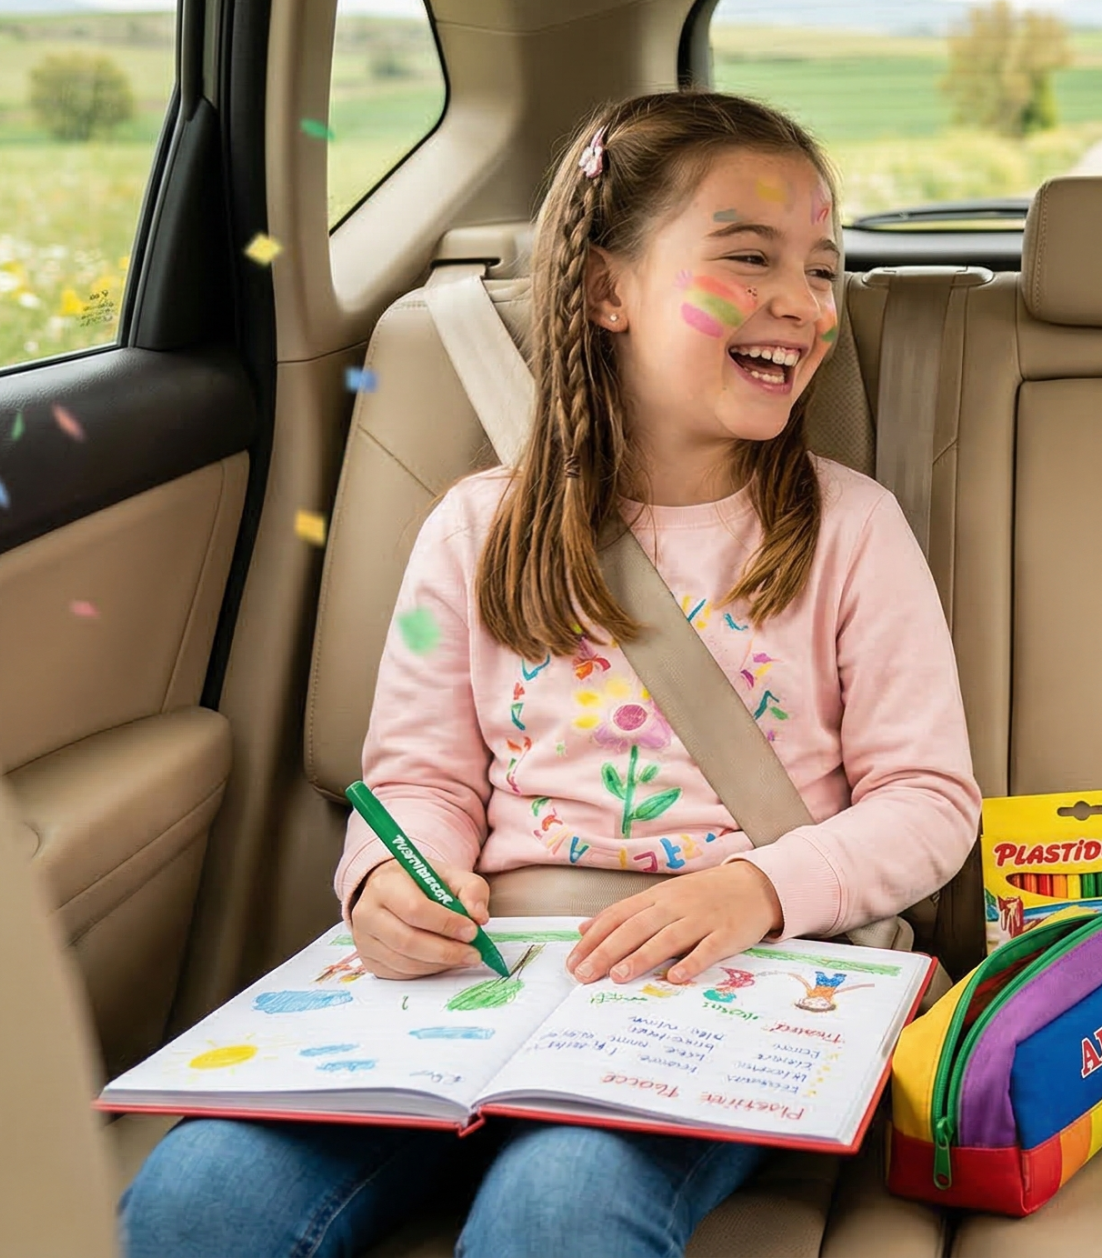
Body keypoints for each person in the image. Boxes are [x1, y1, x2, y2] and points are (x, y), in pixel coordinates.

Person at [120, 92, 982, 1258]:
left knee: (558, 1210)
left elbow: (929, 805)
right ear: (605, 291)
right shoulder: (474, 529)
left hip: (731, 979)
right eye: (748, 256)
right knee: (196, 1195)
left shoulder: (851, 530)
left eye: (822, 270)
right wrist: (389, 882)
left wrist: (756, 892)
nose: (801, 300)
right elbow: (417, 776)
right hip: (481, 980)